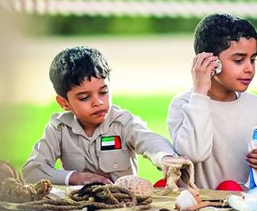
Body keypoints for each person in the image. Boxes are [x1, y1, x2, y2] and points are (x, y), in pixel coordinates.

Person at [23, 46, 178, 185]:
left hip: (123, 208)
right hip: (78, 210)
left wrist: (165, 158)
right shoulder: (59, 129)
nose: (98, 102)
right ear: (64, 103)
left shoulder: (122, 123)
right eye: (84, 97)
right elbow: (32, 171)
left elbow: (151, 141)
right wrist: (75, 177)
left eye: (103, 92)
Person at [167, 13, 257, 189]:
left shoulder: (256, 106)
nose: (249, 69)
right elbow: (195, 153)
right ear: (211, 61)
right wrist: (200, 93)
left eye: (253, 59)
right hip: (201, 209)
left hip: (245, 208)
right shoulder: (184, 104)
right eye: (239, 60)